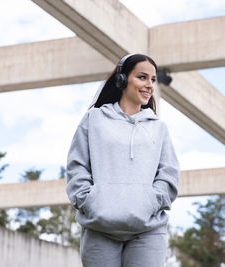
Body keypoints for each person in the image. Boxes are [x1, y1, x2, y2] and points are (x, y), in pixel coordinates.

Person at [66, 54, 180, 267]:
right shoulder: (94, 119)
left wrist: (151, 201)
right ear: (122, 79)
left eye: (153, 80)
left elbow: (168, 174)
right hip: (100, 228)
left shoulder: (159, 127)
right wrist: (89, 201)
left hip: (148, 230)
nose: (149, 85)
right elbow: (77, 166)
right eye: (142, 77)